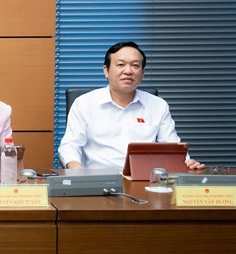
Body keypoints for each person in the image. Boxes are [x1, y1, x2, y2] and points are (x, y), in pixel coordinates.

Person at [58, 41, 204, 170]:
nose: (128, 71)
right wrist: (76, 170)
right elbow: (70, 145)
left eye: (135, 65)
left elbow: (172, 147)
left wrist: (186, 163)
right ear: (106, 71)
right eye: (121, 65)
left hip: (145, 181)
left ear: (142, 73)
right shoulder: (84, 103)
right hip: (97, 180)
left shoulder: (158, 105)